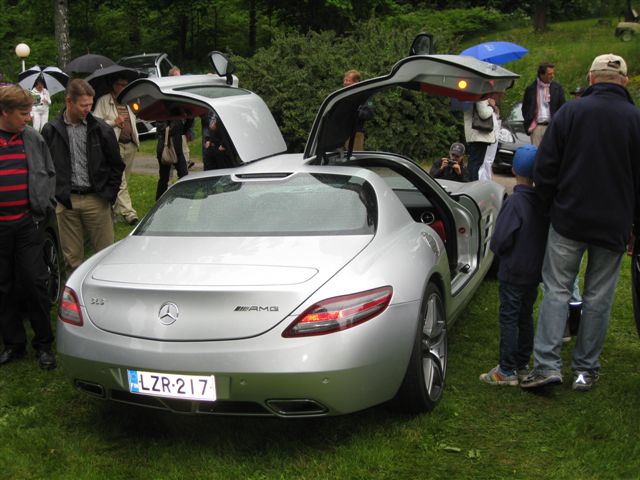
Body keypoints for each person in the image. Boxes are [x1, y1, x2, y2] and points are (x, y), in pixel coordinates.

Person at [520, 54, 640, 392]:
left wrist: (550, 206)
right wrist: (635, 226)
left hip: (569, 218)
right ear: (624, 81)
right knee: (599, 297)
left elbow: (545, 166)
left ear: (590, 78)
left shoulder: (571, 112)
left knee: (557, 290)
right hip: (614, 223)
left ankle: (547, 366)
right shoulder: (635, 119)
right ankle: (586, 370)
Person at [479, 145, 548, 385]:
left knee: (509, 317)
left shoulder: (515, 202)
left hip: (513, 271)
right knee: (525, 315)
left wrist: (498, 251)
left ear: (514, 169)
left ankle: (506, 370)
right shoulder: (543, 203)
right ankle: (522, 364)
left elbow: (500, 239)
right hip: (533, 272)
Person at [41, 79, 124, 274]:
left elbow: (116, 165)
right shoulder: (51, 130)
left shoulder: (101, 129)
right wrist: (55, 196)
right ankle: (76, 292)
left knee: (105, 257)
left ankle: (104, 289)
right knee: (72, 261)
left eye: (90, 104)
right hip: (66, 202)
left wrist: (109, 194)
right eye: (83, 105)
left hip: (96, 199)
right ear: (69, 102)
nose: (88, 109)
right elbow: (44, 167)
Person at [0, 85, 57, 369]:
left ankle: (44, 344)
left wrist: (45, 202)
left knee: (35, 283)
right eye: (23, 113)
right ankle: (14, 344)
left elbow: (49, 171)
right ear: (4, 112)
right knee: (3, 286)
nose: (28, 117)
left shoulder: (32, 138)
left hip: (27, 223)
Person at [94, 75, 140, 225]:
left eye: (126, 84)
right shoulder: (104, 101)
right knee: (121, 181)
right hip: (115, 145)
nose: (124, 87)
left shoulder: (129, 100)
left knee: (123, 179)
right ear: (114, 85)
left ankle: (112, 210)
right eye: (121, 84)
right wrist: (114, 122)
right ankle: (129, 213)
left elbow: (135, 117)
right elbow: (96, 124)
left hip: (130, 144)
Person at [522, 62, 565, 147]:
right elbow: (525, 108)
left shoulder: (557, 88)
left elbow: (562, 107)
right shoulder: (531, 89)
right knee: (536, 153)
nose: (552, 76)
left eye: (553, 73)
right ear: (541, 74)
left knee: (551, 152)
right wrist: (529, 120)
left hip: (552, 127)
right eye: (549, 74)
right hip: (536, 127)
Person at [155, 117, 193, 199]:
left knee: (184, 174)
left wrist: (189, 119)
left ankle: (183, 197)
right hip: (164, 150)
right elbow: (164, 130)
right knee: (164, 178)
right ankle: (159, 199)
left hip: (177, 150)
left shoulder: (178, 114)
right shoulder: (161, 114)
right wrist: (177, 120)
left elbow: (183, 130)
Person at [463, 98, 496, 181]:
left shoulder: (469, 97)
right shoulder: (480, 97)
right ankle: (472, 184)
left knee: (473, 162)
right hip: (479, 135)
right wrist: (492, 106)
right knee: (475, 164)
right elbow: (484, 114)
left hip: (475, 135)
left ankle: (470, 182)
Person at [342, 69, 373, 151]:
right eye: (344, 80)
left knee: (354, 157)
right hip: (341, 134)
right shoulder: (342, 96)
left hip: (355, 134)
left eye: (348, 80)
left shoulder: (364, 96)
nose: (345, 83)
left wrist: (356, 112)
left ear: (356, 82)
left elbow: (369, 114)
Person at [478, 92, 504, 181]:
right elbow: (484, 115)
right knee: (484, 160)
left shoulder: (494, 103)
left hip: (494, 134)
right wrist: (492, 106)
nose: (501, 96)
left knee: (489, 160)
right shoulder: (484, 99)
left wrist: (496, 111)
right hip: (486, 133)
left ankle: (487, 180)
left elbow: (495, 119)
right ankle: (482, 181)